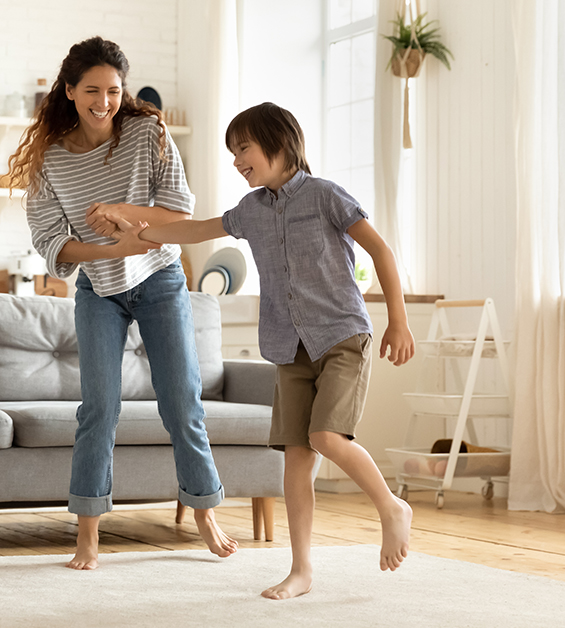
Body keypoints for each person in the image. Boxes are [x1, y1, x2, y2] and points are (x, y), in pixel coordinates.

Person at [123, 102, 416, 599]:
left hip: (342, 336)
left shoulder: (325, 196)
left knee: (325, 437)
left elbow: (380, 250)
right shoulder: (252, 211)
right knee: (296, 458)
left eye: (244, 148)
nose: (237, 160)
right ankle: (301, 569)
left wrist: (399, 321)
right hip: (289, 347)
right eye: (233, 152)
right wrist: (142, 234)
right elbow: (198, 229)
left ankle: (392, 506)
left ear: (280, 142)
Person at [8, 36, 238, 571]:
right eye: (92, 90)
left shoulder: (148, 132)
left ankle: (204, 511)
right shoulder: (50, 159)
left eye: (114, 90)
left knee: (182, 401)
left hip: (159, 280)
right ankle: (88, 533)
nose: (104, 101)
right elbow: (51, 242)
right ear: (69, 91)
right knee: (99, 409)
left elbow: (179, 208)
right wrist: (113, 246)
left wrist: (119, 212)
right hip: (99, 289)